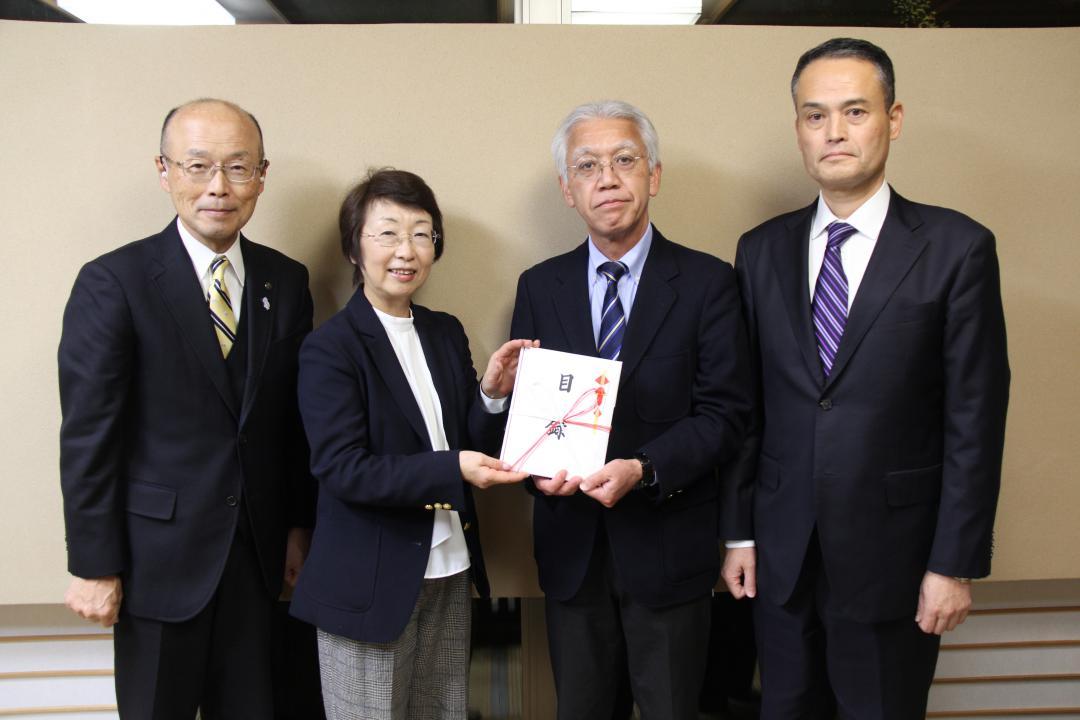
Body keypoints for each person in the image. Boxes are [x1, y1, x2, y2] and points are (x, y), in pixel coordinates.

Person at [723, 38, 1010, 718]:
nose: (834, 132)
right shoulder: (760, 251)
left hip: (897, 561)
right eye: (815, 115)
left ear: (893, 119)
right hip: (782, 558)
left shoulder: (957, 248)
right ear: (799, 129)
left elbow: (975, 420)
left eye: (855, 111)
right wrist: (739, 534)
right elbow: (747, 408)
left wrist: (953, 563)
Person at [58, 98, 315, 717]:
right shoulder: (113, 281)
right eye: (198, 166)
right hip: (154, 565)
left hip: (256, 558)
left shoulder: (287, 280)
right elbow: (89, 435)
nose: (218, 187)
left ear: (262, 175)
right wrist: (93, 565)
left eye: (238, 167)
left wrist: (298, 527)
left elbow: (291, 424)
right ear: (164, 171)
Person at [510, 100, 753, 720]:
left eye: (624, 160)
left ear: (654, 174)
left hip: (669, 548)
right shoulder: (539, 285)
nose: (607, 179)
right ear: (567, 189)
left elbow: (726, 415)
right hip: (572, 553)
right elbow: (530, 415)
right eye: (587, 166)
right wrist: (537, 472)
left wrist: (642, 468)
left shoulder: (708, 282)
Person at [290, 168, 535, 720]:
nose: (407, 250)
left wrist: (492, 394)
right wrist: (454, 468)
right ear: (354, 248)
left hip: (451, 568)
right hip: (368, 585)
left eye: (422, 234)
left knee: (443, 712)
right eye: (388, 234)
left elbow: (468, 440)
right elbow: (343, 469)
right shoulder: (331, 347)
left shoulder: (444, 330)